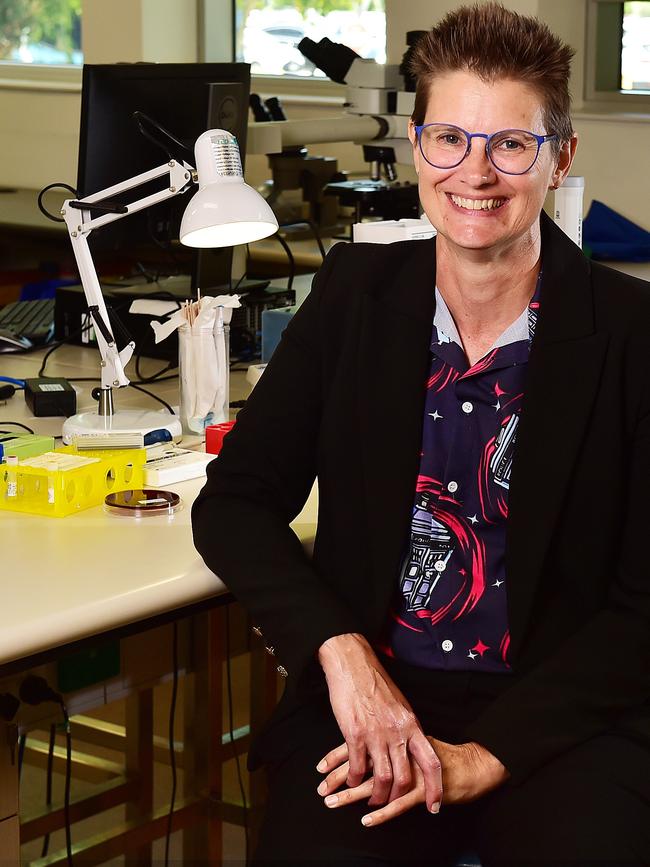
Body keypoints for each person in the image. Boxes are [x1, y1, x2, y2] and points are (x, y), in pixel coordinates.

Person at [192, 3, 650, 864]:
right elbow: (237, 503)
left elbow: (643, 606)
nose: (475, 171)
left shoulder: (632, 332)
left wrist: (484, 757)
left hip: (566, 718)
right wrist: (343, 655)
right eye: (450, 138)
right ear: (415, 144)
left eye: (511, 144)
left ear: (561, 157)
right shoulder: (353, 293)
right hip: (377, 700)